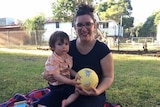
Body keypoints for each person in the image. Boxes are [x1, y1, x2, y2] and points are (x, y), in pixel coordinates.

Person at [43, 3, 114, 107]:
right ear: (75, 27)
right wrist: (46, 75)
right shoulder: (67, 47)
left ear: (94, 26)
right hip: (69, 90)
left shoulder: (102, 49)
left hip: (92, 93)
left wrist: (97, 91)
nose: (84, 29)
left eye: (88, 24)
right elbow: (54, 65)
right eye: (80, 25)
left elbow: (108, 77)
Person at [37, 31, 79, 107]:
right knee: (51, 98)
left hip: (66, 85)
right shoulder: (53, 59)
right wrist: (70, 82)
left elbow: (69, 69)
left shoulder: (67, 57)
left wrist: (77, 75)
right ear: (53, 47)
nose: (64, 46)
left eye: (66, 44)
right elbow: (56, 76)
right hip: (57, 86)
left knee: (77, 92)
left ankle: (66, 102)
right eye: (60, 44)